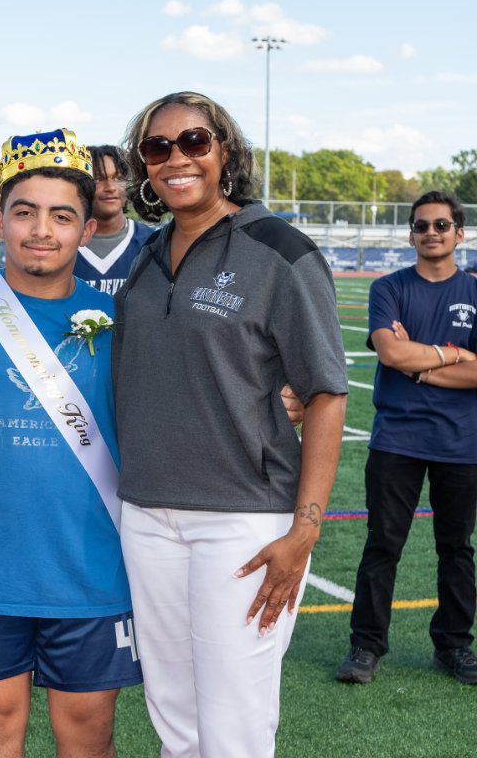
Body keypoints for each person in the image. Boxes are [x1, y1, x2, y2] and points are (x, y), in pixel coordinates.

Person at [113, 91, 348, 758]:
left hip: (243, 521)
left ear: (226, 153)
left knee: (236, 726)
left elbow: (327, 394)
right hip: (148, 516)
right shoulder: (147, 256)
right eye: (157, 148)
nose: (176, 159)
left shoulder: (281, 251)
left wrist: (304, 531)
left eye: (194, 142)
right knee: (176, 720)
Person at [0, 129, 141, 758]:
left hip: (93, 569)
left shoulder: (125, 322)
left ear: (87, 229)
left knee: (90, 740)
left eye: (62, 216)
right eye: (25, 212)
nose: (42, 229)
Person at [336, 190, 477, 686]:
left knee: (456, 549)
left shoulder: (476, 291)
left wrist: (419, 361)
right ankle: (366, 645)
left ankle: (454, 646)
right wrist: (452, 355)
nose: (431, 233)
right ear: (410, 234)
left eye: (441, 225)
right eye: (422, 226)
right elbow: (392, 355)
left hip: (462, 443)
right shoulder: (388, 287)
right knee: (382, 546)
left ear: (459, 234)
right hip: (396, 438)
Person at [73, 145, 153, 295]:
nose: (111, 187)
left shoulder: (152, 241)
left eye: (118, 178)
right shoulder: (66, 243)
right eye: (98, 179)